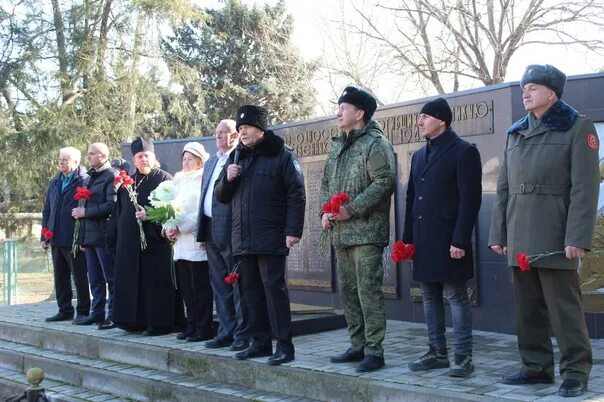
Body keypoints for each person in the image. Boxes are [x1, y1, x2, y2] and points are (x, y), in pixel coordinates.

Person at [489, 64, 600, 397]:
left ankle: (576, 372)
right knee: (528, 309)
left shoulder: (577, 128)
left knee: (563, 309)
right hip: (520, 231)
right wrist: (499, 234)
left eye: (533, 87)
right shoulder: (516, 132)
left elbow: (585, 188)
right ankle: (536, 368)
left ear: (552, 93)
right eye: (524, 87)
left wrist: (577, 238)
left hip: (555, 233)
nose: (525, 92)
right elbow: (504, 187)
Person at [215, 105, 305, 366]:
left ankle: (284, 346)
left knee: (273, 291)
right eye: (239, 128)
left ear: (261, 129)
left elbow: (296, 194)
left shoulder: (282, 155)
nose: (242, 133)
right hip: (243, 239)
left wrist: (292, 231)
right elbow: (221, 196)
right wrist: (228, 180)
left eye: (247, 128)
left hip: (272, 237)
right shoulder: (236, 157)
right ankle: (260, 342)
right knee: (249, 291)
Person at [402, 97, 482, 377]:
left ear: (442, 121)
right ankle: (436, 352)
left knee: (456, 296)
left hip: (450, 240)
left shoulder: (463, 152)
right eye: (420, 117)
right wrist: (408, 239)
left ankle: (463, 357)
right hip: (425, 239)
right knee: (428, 295)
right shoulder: (419, 155)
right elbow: (412, 199)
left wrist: (460, 239)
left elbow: (470, 201)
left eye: (425, 117)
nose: (419, 121)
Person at [321, 86, 396, 372]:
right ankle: (357, 345)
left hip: (366, 233)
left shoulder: (375, 144)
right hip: (341, 233)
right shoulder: (338, 144)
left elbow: (384, 181)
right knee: (349, 292)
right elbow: (327, 183)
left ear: (360, 113)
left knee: (368, 291)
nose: (338, 112)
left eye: (344, 107)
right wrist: (324, 212)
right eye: (338, 107)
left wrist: (350, 209)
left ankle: (375, 351)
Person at [107, 137, 184, 335]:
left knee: (153, 284)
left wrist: (149, 216)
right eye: (140, 156)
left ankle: (157, 323)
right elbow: (118, 213)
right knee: (132, 282)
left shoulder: (164, 179)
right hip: (130, 245)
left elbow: (172, 211)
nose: (144, 160)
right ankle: (132, 321)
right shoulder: (128, 184)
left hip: (155, 243)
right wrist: (113, 238)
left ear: (154, 157)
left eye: (147, 156)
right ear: (134, 160)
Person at [197, 120, 249, 351]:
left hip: (230, 229)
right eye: (216, 132)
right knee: (219, 284)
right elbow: (204, 196)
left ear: (235, 135)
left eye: (224, 132)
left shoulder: (239, 156)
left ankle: (241, 334)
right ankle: (225, 331)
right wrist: (201, 231)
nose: (219, 136)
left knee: (237, 284)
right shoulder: (210, 162)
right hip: (210, 228)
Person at [165, 142, 214, 342]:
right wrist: (167, 227)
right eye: (184, 159)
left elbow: (201, 212)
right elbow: (168, 206)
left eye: (190, 159)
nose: (185, 163)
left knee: (200, 288)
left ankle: (204, 327)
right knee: (186, 288)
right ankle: (191, 324)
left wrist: (181, 226)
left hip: (195, 241)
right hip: (179, 244)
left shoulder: (203, 179)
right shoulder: (177, 180)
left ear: (199, 161)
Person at [71, 143, 118, 329]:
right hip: (89, 237)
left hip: (104, 234)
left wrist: (86, 212)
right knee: (95, 279)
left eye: (92, 154)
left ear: (103, 155)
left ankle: (114, 314)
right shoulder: (89, 177)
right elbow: (83, 206)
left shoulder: (111, 176)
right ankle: (97, 312)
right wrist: (82, 238)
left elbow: (111, 205)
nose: (88, 157)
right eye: (88, 154)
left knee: (110, 277)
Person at [41, 147, 90, 323]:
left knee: (79, 275)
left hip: (73, 237)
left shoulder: (84, 181)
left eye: (66, 159)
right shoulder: (55, 182)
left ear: (76, 162)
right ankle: (64, 309)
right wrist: (44, 235)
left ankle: (84, 311)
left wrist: (83, 237)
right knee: (60, 277)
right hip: (55, 236)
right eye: (60, 158)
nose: (61, 162)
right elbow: (47, 210)